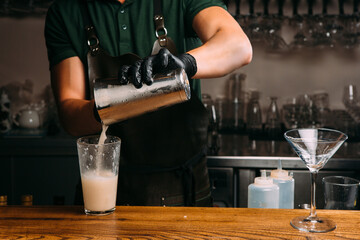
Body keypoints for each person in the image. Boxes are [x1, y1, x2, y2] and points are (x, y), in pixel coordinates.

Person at [45, 0, 252, 207]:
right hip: (107, 192)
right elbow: (70, 115)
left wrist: (185, 64)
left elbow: (238, 46)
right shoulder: (66, 10)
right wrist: (119, 101)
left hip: (184, 190)